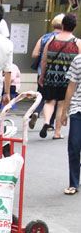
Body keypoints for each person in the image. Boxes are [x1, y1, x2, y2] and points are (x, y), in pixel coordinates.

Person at [33, 12, 81, 140]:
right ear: (74, 26)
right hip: (67, 78)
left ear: (63, 25)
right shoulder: (77, 42)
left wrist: (42, 75)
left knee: (49, 102)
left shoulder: (51, 40)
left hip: (51, 75)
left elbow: (44, 60)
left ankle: (46, 122)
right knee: (61, 104)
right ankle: (57, 132)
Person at [27, 14, 63, 131]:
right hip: (58, 73)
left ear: (53, 25)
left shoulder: (44, 37)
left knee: (41, 95)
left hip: (42, 71)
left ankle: (36, 112)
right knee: (55, 98)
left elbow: (34, 54)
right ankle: (50, 124)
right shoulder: (64, 39)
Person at [54, 47, 81, 194]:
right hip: (78, 107)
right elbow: (71, 86)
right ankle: (74, 183)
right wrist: (64, 111)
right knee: (74, 146)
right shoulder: (78, 60)